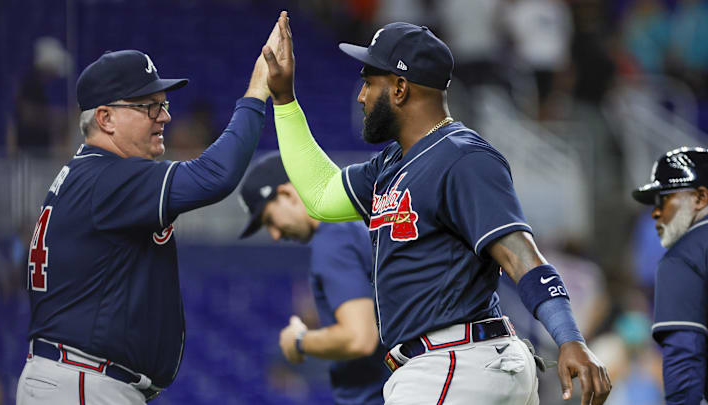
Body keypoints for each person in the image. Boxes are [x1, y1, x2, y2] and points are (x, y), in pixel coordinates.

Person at [262, 11, 611, 405]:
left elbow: (522, 259)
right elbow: (322, 195)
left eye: (368, 83)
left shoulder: (462, 158)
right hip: (454, 364)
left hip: (453, 364)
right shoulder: (392, 165)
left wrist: (569, 338)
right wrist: (284, 100)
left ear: (399, 87)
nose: (361, 95)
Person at [17, 19, 280, 405]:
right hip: (83, 380)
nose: (164, 116)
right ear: (104, 118)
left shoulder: (91, 174)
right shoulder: (106, 176)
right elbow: (216, 175)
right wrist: (259, 89)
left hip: (78, 377)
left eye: (163, 104)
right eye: (148, 106)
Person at [237, 152, 391, 404]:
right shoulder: (355, 224)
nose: (275, 235)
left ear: (287, 194)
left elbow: (359, 338)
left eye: (269, 220)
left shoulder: (333, 239)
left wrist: (299, 341)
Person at [632, 147, 708, 404]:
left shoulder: (684, 257)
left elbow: (684, 360)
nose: (655, 212)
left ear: (700, 197)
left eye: (663, 199)